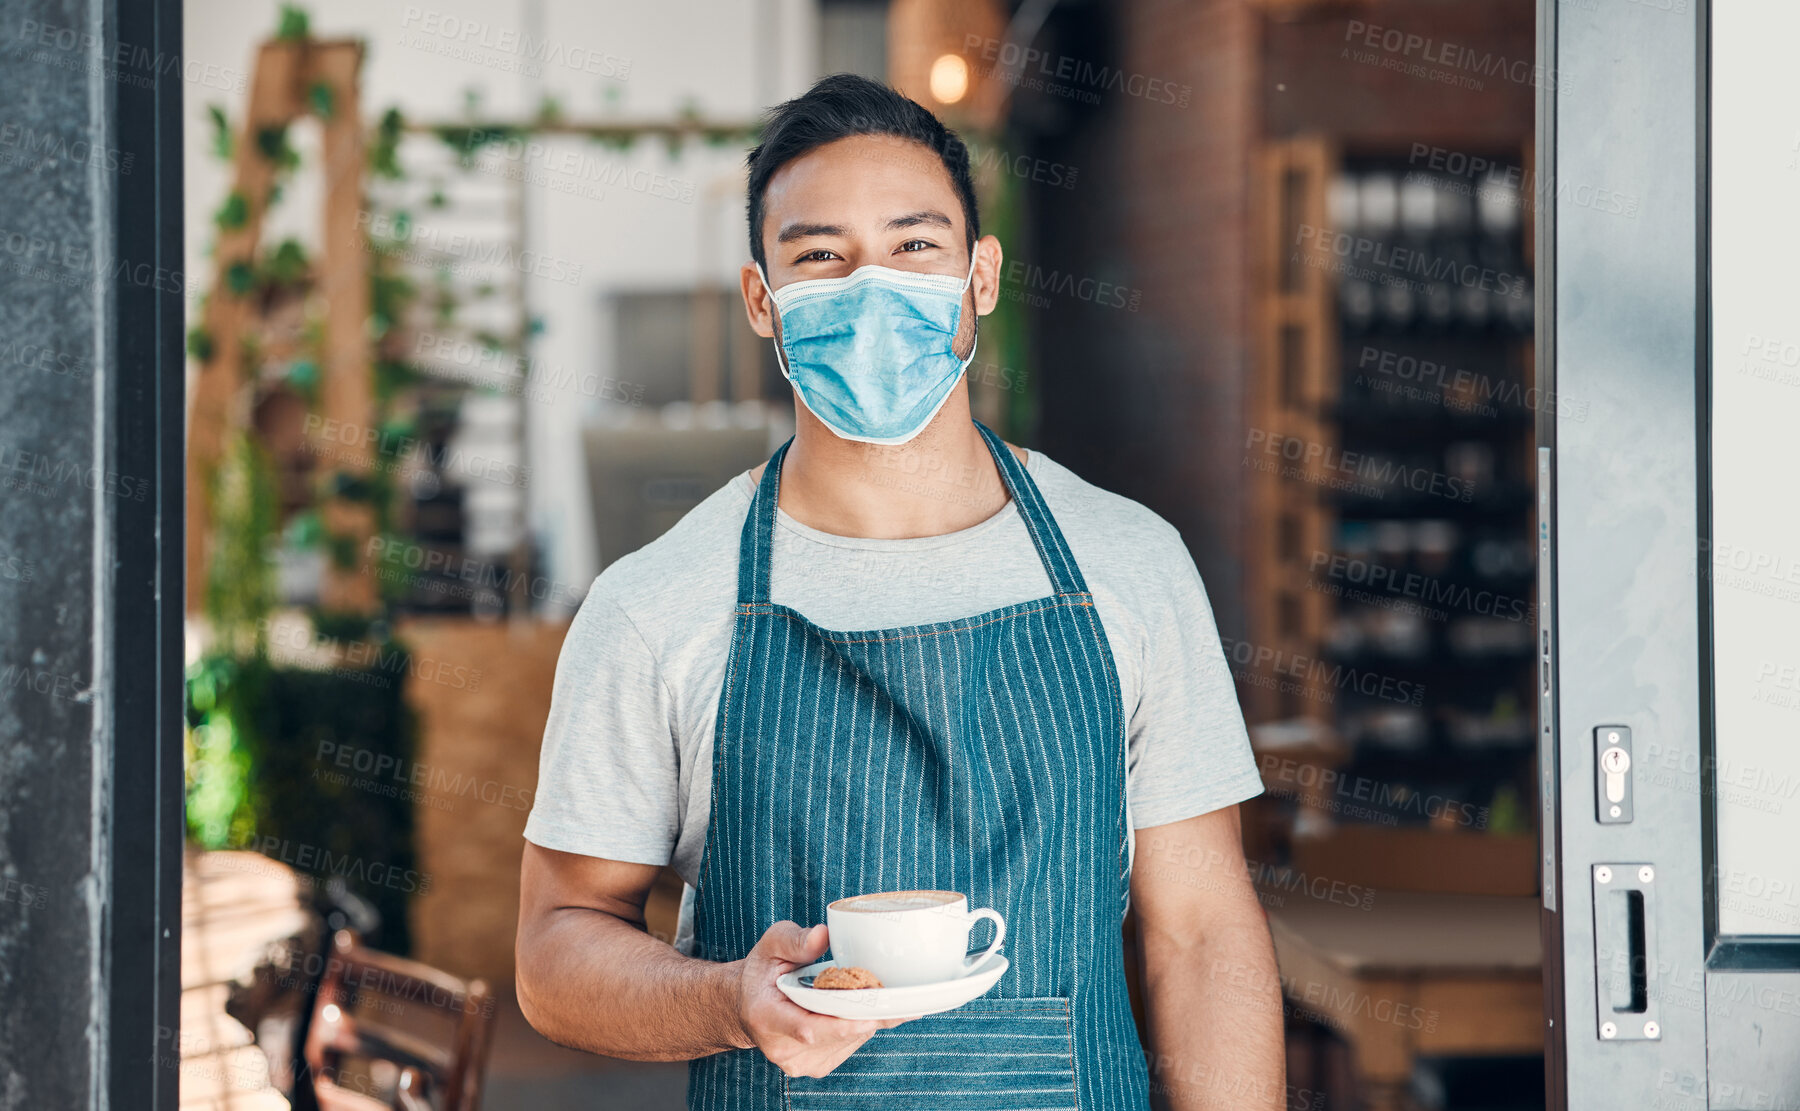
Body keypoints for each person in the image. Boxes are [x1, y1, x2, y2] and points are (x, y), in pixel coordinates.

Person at [515, 73, 1285, 1110]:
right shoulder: (657, 604)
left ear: (980, 276)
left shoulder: (1130, 564)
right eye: (820, 255)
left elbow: (1200, 935)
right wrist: (728, 1002)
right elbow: (557, 949)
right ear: (762, 299)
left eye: (914, 246)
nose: (871, 288)